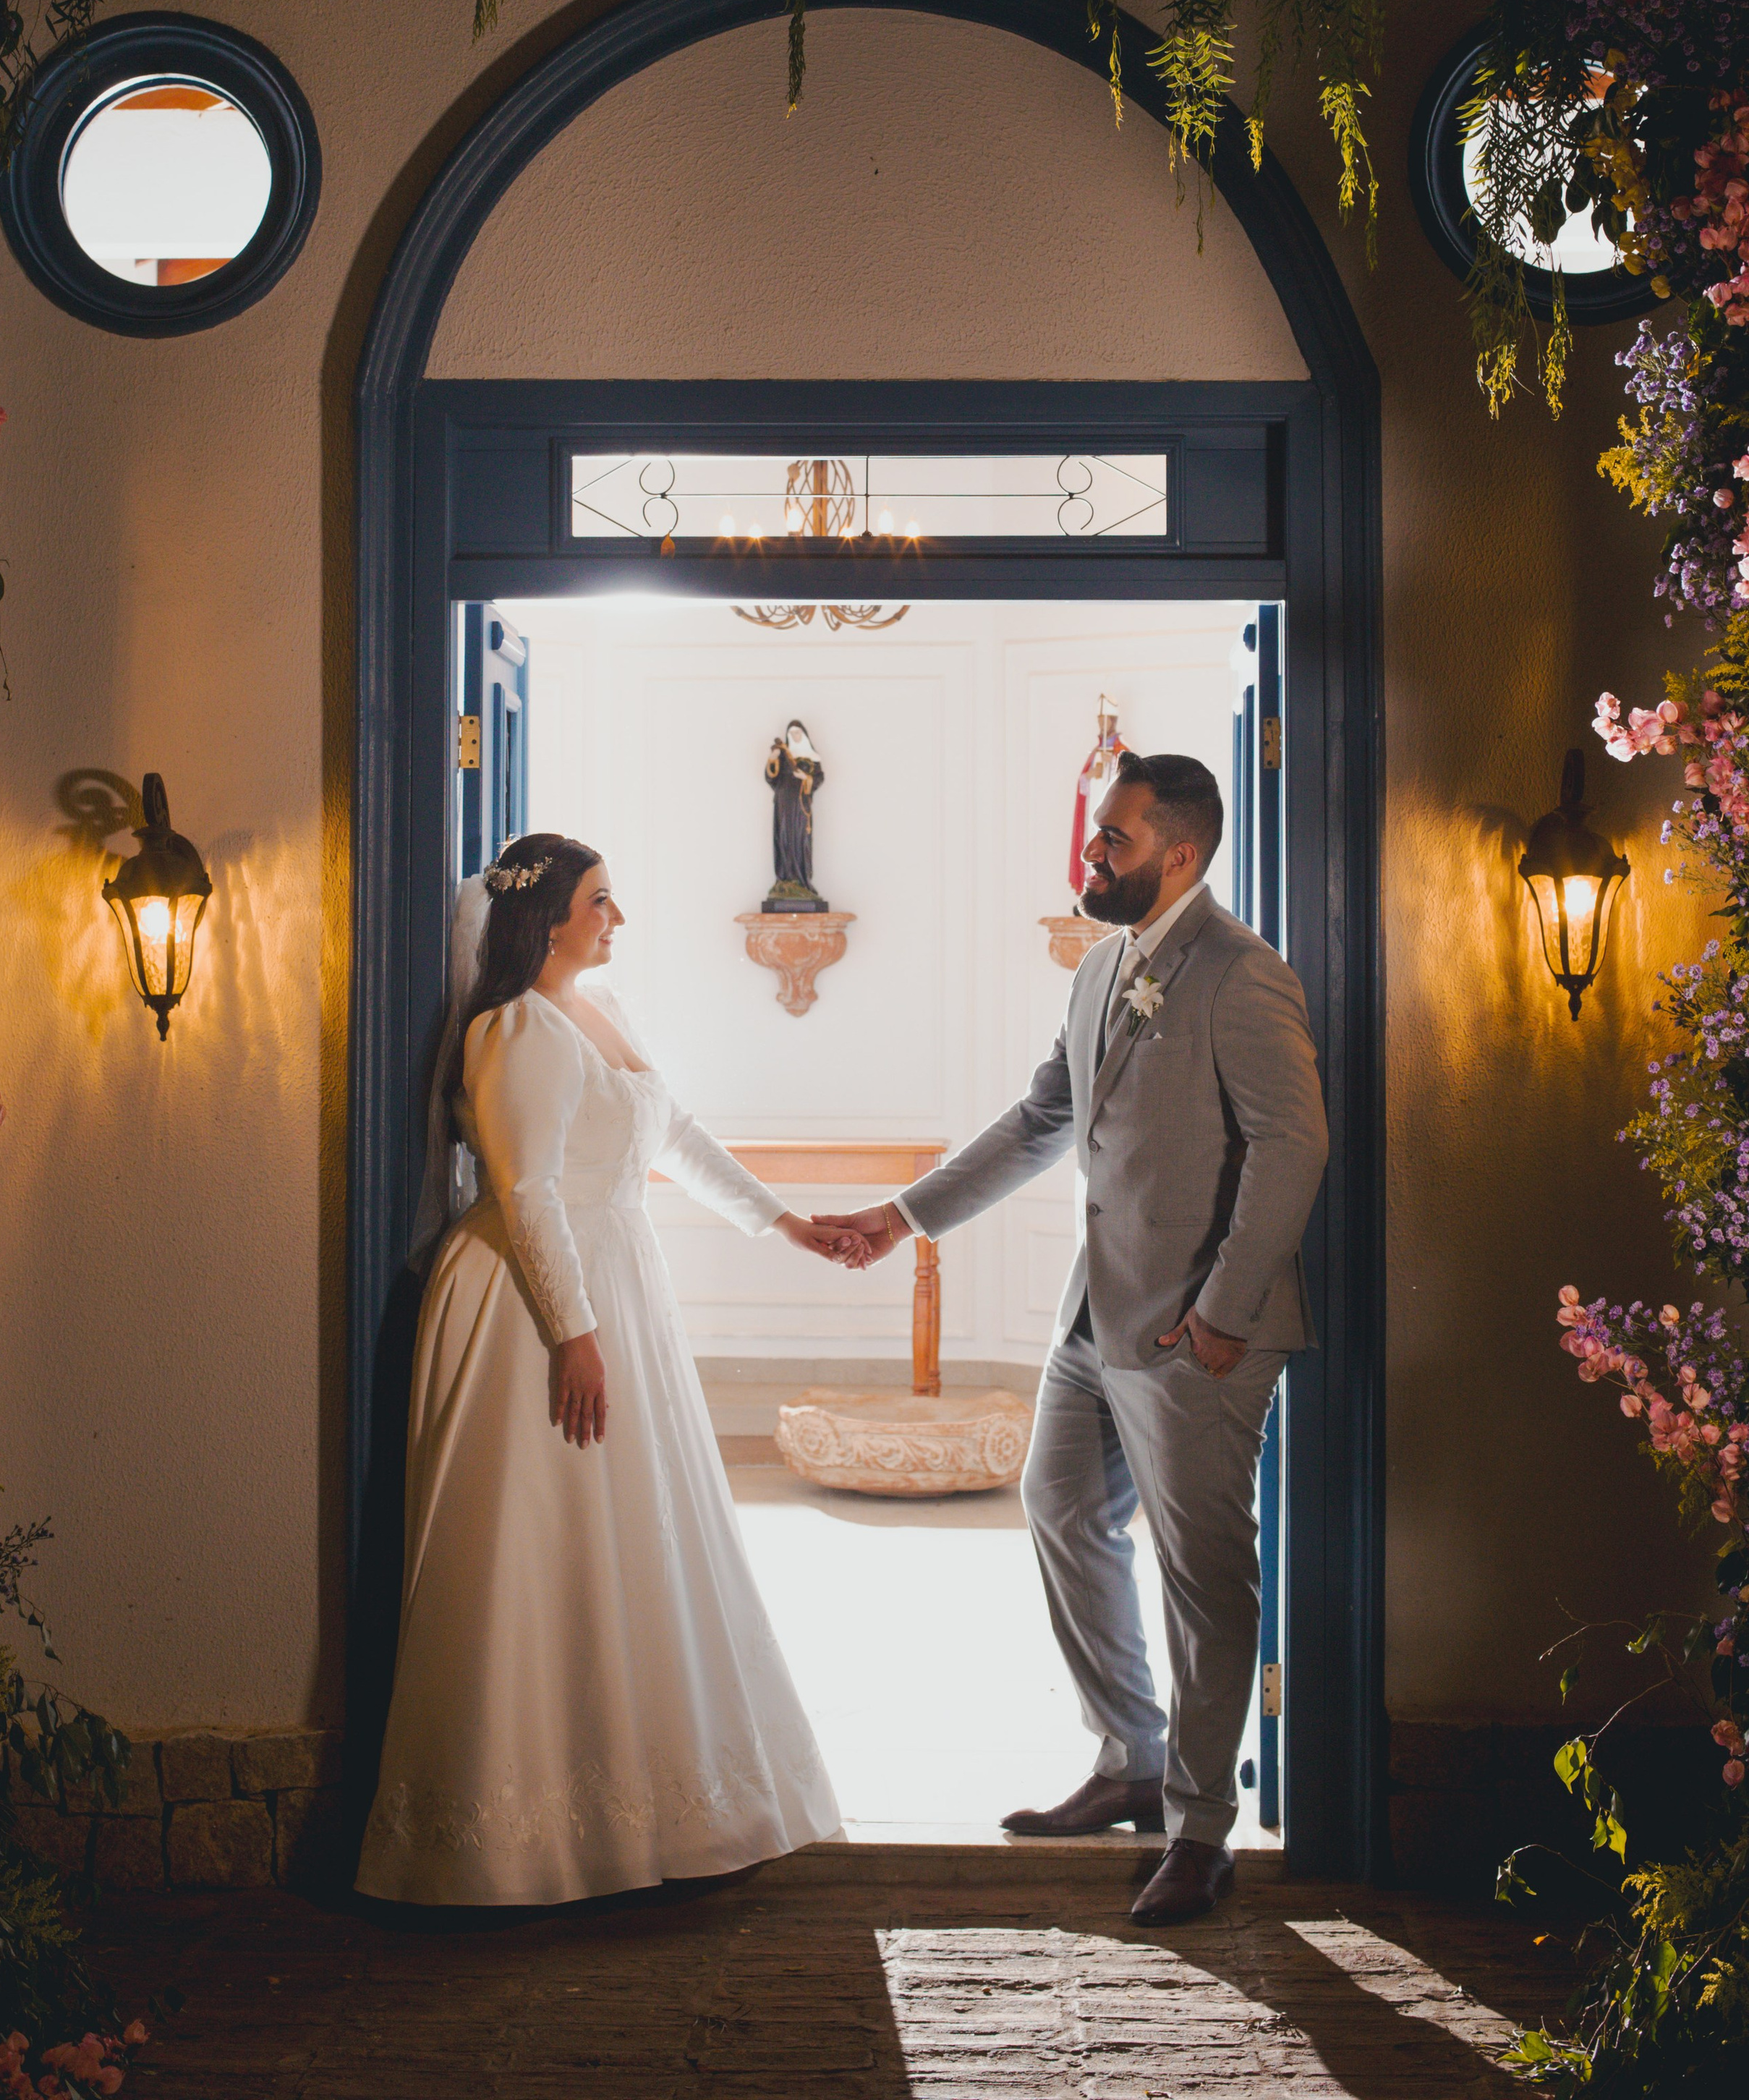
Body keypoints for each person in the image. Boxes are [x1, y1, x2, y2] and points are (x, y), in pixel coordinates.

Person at [834, 752, 1327, 1927]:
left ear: (1183, 854)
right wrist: (905, 1218)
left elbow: (1291, 1149)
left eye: (1112, 839)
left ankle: (1201, 1832)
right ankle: (1131, 1760)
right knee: (1059, 1507)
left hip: (1197, 1333)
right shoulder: (1102, 963)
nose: (1091, 855)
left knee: (1207, 1581)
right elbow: (1046, 1116)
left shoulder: (1243, 976)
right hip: (1091, 1316)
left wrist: (1219, 1313)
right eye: (1098, 835)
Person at [357, 831, 858, 1907]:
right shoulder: (515, 1029)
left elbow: (673, 1136)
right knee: (542, 1542)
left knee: (637, 1541)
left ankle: (643, 1804)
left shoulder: (603, 1016)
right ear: (544, 918)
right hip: (536, 1304)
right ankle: (510, 1835)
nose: (616, 919)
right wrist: (573, 1333)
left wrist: (783, 1224)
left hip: (615, 1282)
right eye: (600, 901)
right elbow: (527, 1189)